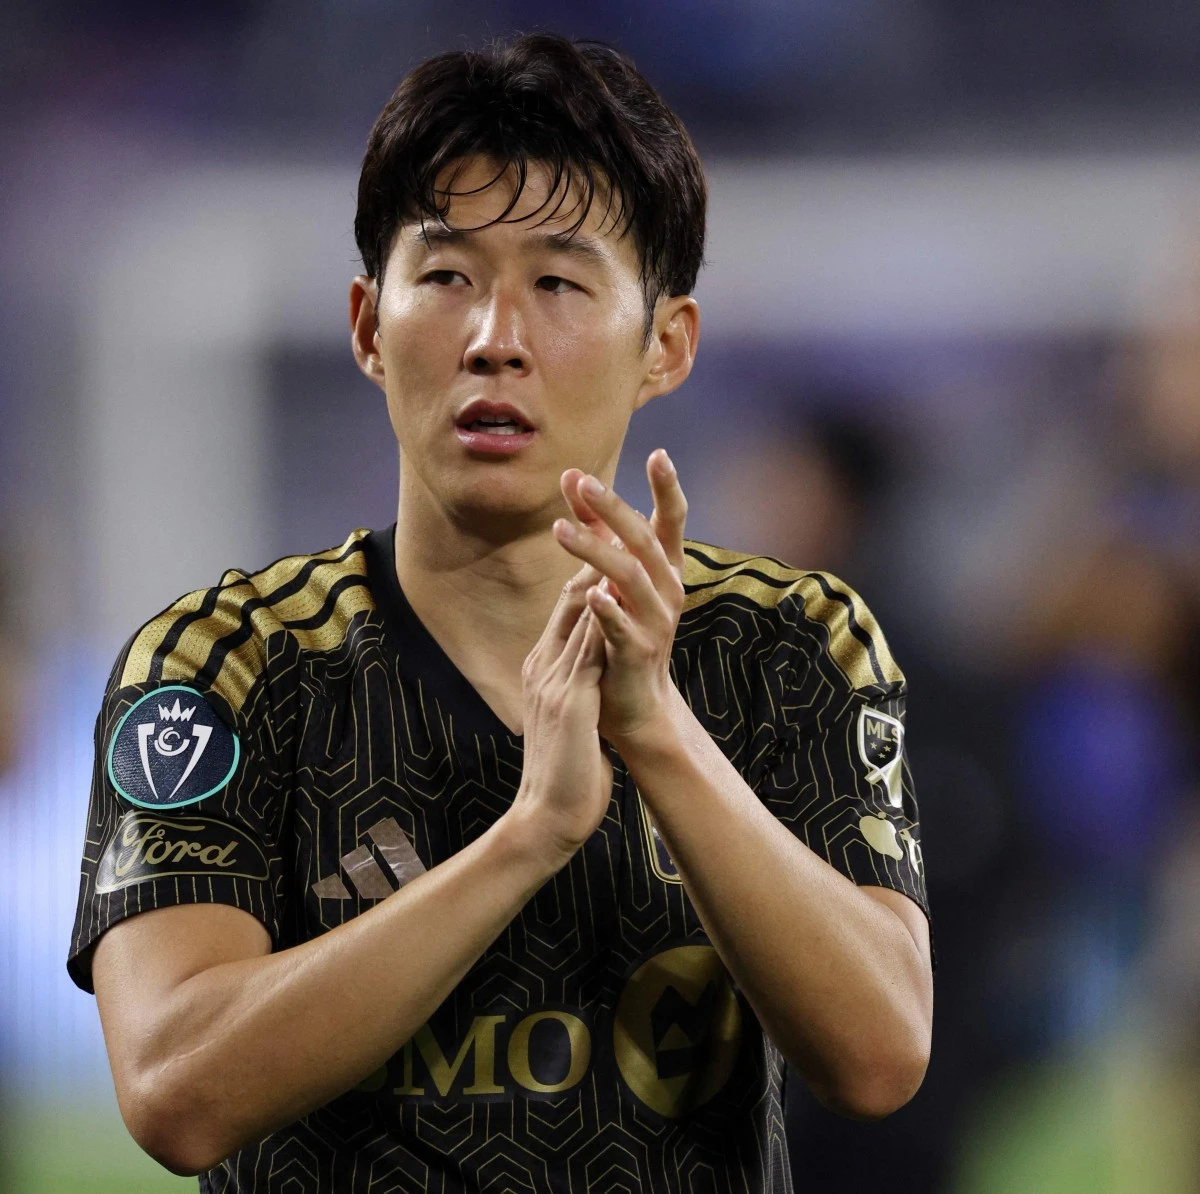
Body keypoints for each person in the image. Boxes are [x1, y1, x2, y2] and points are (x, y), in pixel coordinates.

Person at [67, 34, 931, 1193]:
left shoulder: (787, 644)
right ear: (368, 327)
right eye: (448, 278)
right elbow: (176, 1092)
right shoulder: (226, 667)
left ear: (665, 345)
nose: (494, 340)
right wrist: (528, 837)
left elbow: (880, 1054)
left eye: (558, 284)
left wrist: (656, 730)